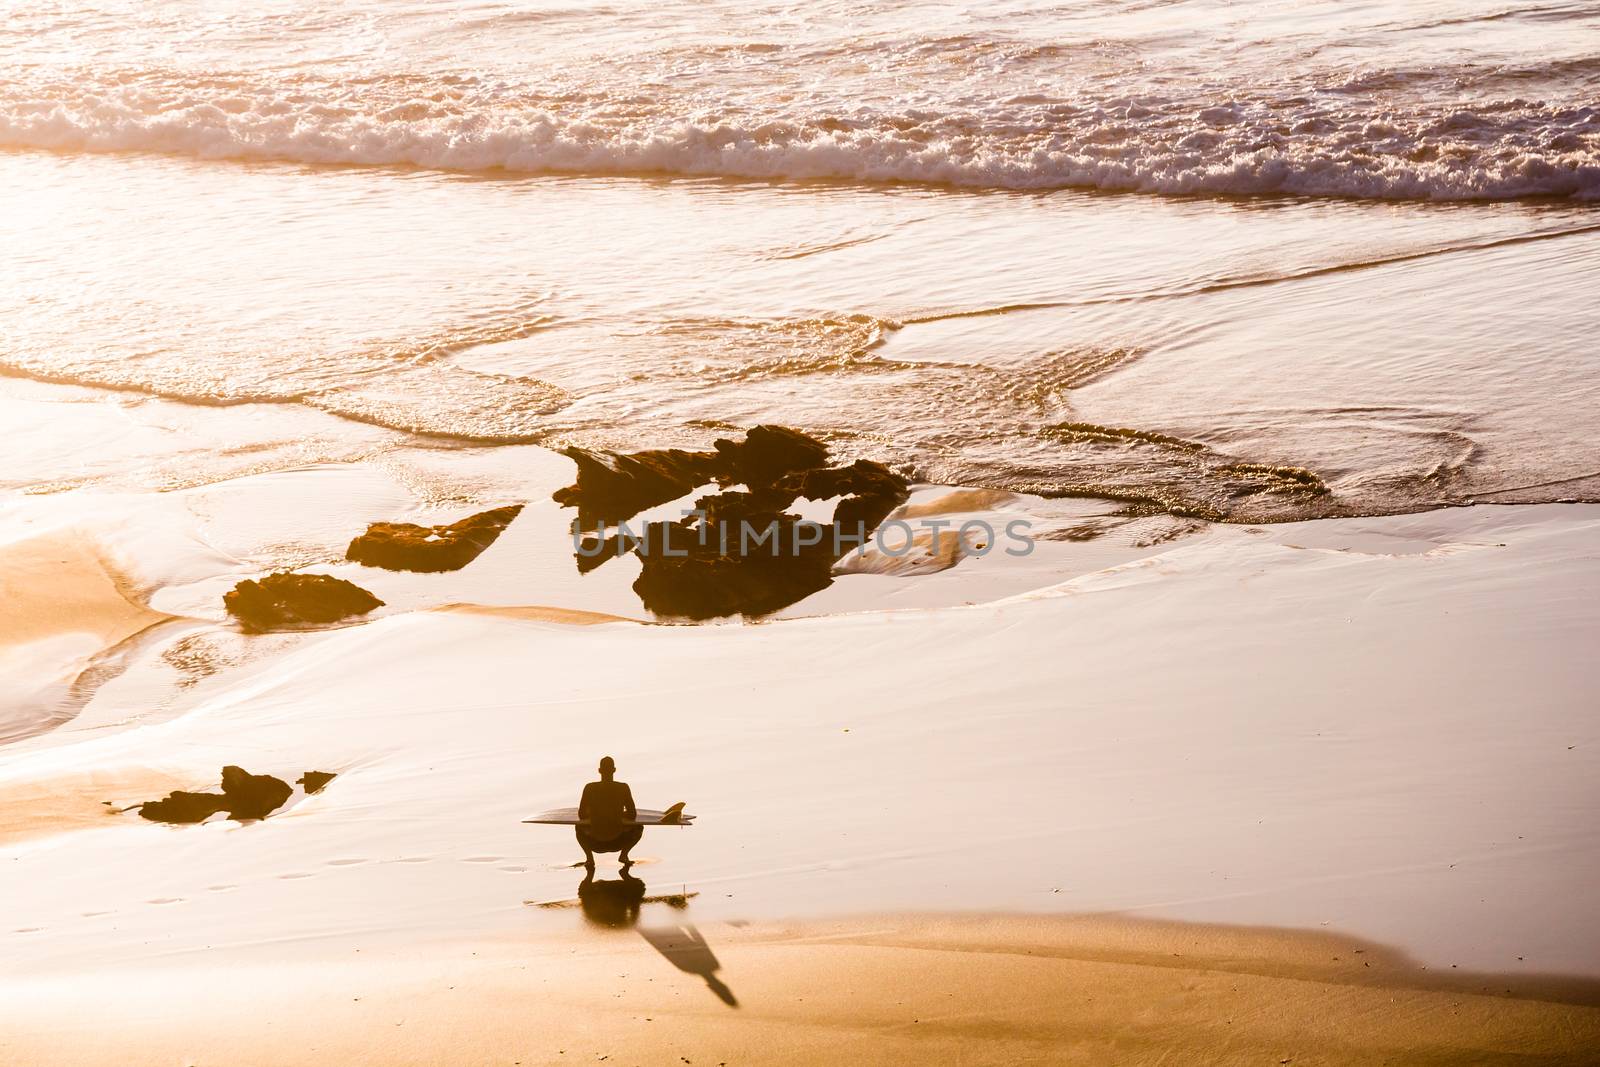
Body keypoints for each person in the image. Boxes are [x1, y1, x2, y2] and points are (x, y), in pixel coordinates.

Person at [576, 756, 641, 869]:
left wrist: (595, 813)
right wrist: (618, 814)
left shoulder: (589, 788)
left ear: (599, 770)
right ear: (614, 770)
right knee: (639, 827)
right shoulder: (623, 788)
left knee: (578, 827)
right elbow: (632, 815)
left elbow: (581, 815)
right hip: (618, 840)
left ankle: (590, 859)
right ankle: (624, 855)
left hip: (594, 842)